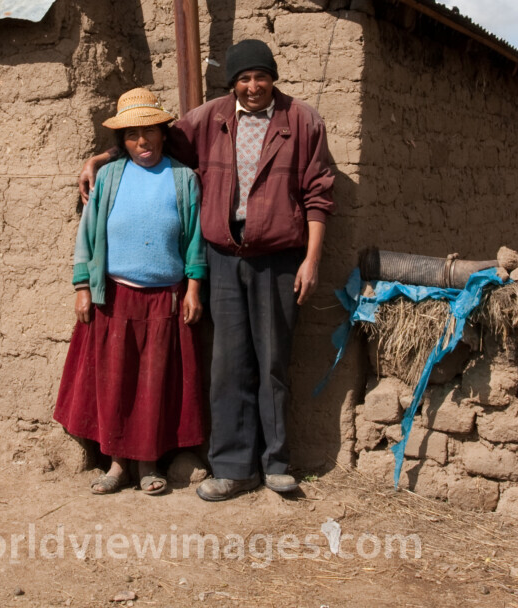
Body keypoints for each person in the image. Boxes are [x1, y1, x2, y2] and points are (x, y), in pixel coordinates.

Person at [80, 39, 334, 501]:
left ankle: (275, 463)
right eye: (243, 78)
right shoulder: (210, 117)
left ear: (272, 78)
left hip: (278, 260)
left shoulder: (301, 120)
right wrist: (103, 158)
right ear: (232, 83)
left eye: (260, 77)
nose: (253, 86)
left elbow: (319, 193)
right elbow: (151, 140)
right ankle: (234, 468)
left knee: (273, 362)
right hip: (222, 258)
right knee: (228, 364)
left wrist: (311, 260)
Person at [55, 87, 207, 495]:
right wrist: (83, 285)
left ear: (162, 132)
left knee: (154, 383)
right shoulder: (108, 177)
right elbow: (88, 235)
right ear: (122, 141)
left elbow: (194, 238)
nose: (143, 142)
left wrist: (193, 287)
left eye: (150, 132)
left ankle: (148, 464)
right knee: (117, 382)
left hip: (165, 298)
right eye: (133, 135)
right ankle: (118, 464)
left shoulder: (182, 178)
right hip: (116, 298)